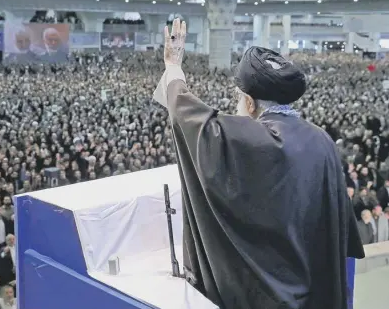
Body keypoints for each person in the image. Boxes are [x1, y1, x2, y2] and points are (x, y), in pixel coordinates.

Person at [152, 18, 364, 309]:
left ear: (250, 103)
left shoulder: (250, 139)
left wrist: (173, 66)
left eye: (239, 99)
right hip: (313, 290)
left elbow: (188, 115)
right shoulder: (322, 141)